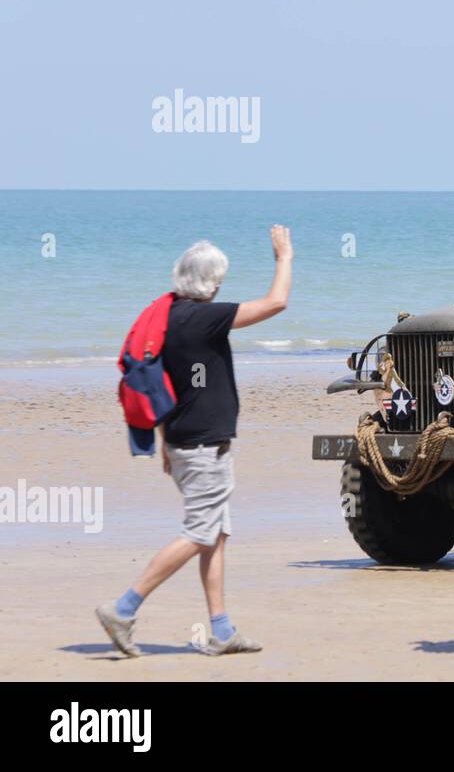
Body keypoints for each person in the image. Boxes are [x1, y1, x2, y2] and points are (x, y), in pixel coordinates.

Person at [95, 225, 293, 657]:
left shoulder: (167, 317)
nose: (222, 286)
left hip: (187, 442)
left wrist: (166, 441)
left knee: (216, 534)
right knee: (200, 534)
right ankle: (123, 609)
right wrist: (284, 257)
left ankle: (222, 631)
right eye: (219, 280)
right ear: (210, 283)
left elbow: (168, 384)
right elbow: (276, 302)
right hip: (204, 448)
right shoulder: (204, 318)